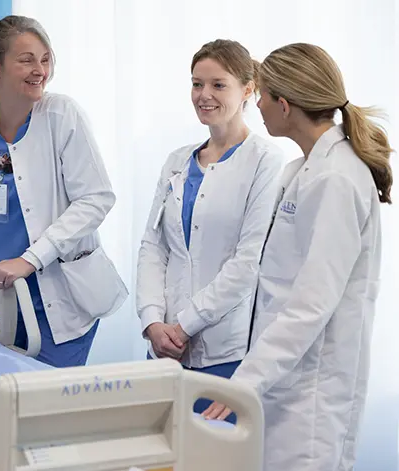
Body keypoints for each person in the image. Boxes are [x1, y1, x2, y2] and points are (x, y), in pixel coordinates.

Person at [202, 43, 392, 471]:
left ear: (284, 105)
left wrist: (244, 381)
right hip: (284, 382)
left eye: (263, 94)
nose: (259, 103)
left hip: (313, 395)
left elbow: (311, 304)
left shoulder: (336, 180)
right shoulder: (303, 171)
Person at [0, 15, 126, 368]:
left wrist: (28, 261)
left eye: (45, 59)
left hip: (60, 293)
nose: (40, 70)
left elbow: (96, 198)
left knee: (48, 408)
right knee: (1, 402)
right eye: (26, 60)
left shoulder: (61, 115)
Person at [136, 39, 285, 423]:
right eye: (196, 84)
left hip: (223, 353)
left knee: (216, 457)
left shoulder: (265, 161)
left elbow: (248, 261)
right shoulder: (178, 161)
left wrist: (185, 325)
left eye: (218, 85)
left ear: (248, 89)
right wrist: (152, 321)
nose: (204, 95)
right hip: (163, 349)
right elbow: (154, 247)